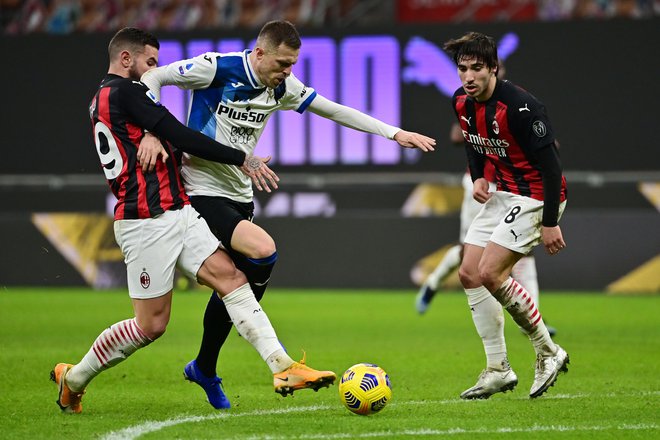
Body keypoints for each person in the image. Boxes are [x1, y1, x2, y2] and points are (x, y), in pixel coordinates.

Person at [139, 19, 436, 409]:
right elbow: (153, 78)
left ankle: (205, 367)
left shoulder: (282, 87)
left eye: (292, 64)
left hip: (240, 196)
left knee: (237, 285)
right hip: (199, 190)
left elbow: (335, 110)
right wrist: (153, 130)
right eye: (281, 63)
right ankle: (257, 363)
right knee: (262, 250)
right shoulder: (217, 67)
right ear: (258, 53)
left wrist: (394, 133)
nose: (287, 72)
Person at [50, 27, 336, 414]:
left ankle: (282, 366)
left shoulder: (103, 99)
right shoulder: (127, 93)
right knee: (150, 326)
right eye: (150, 62)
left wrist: (153, 132)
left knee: (232, 280)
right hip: (144, 220)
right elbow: (181, 134)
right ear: (126, 59)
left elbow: (161, 132)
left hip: (178, 209)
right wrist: (242, 158)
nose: (155, 70)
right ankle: (75, 378)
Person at [443, 31, 569, 400]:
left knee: (489, 273)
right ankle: (498, 368)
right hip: (503, 194)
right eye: (463, 69)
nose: (468, 76)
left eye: (477, 69)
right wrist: (479, 175)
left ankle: (548, 352)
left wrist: (549, 222)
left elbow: (552, 169)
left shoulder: (521, 108)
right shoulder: (461, 103)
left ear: (494, 69)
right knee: (469, 274)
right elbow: (472, 144)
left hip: (537, 196)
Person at [415, 64, 556, 338]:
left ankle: (534, 318)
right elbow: (458, 135)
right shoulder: (472, 104)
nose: (473, 77)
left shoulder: (515, 105)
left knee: (524, 252)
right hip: (480, 185)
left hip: (512, 187)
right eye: (467, 70)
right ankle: (432, 283)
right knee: (469, 252)